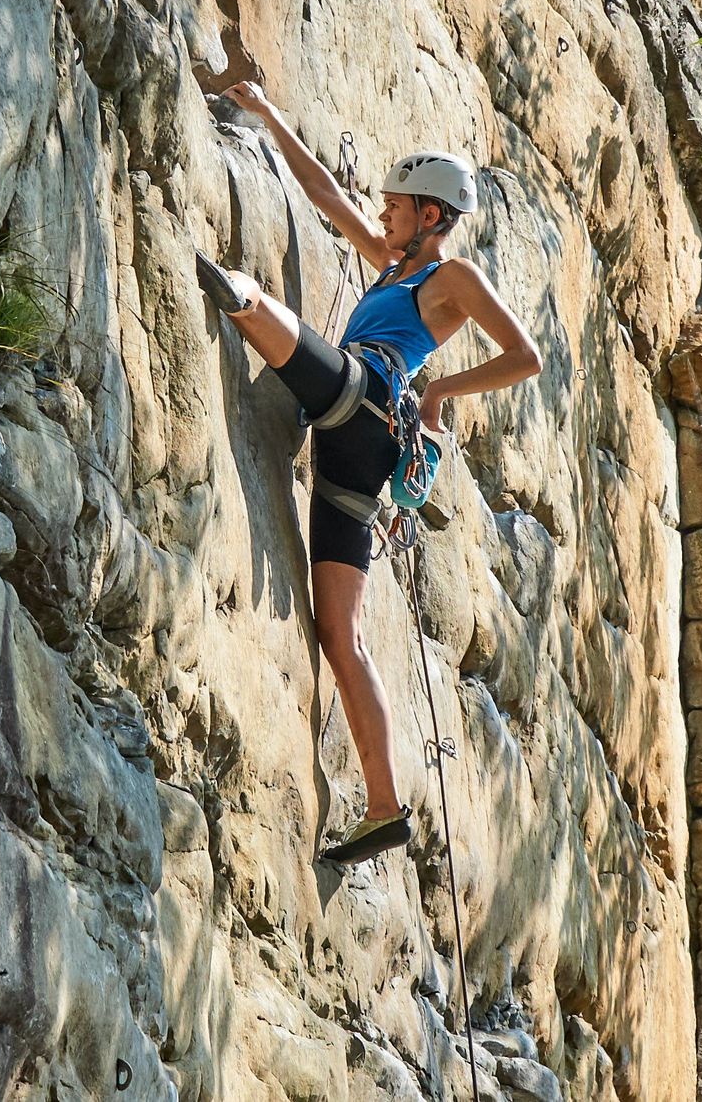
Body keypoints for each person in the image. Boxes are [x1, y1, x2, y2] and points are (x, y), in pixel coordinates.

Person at [196, 80, 541, 865]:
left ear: (430, 214)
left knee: (317, 360)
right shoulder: (391, 265)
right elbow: (320, 187)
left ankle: (240, 297)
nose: (382, 215)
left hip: (372, 399)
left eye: (394, 206)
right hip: (353, 451)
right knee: (338, 632)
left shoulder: (445, 279)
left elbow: (528, 355)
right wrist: (265, 106)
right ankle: (384, 805)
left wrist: (442, 390)